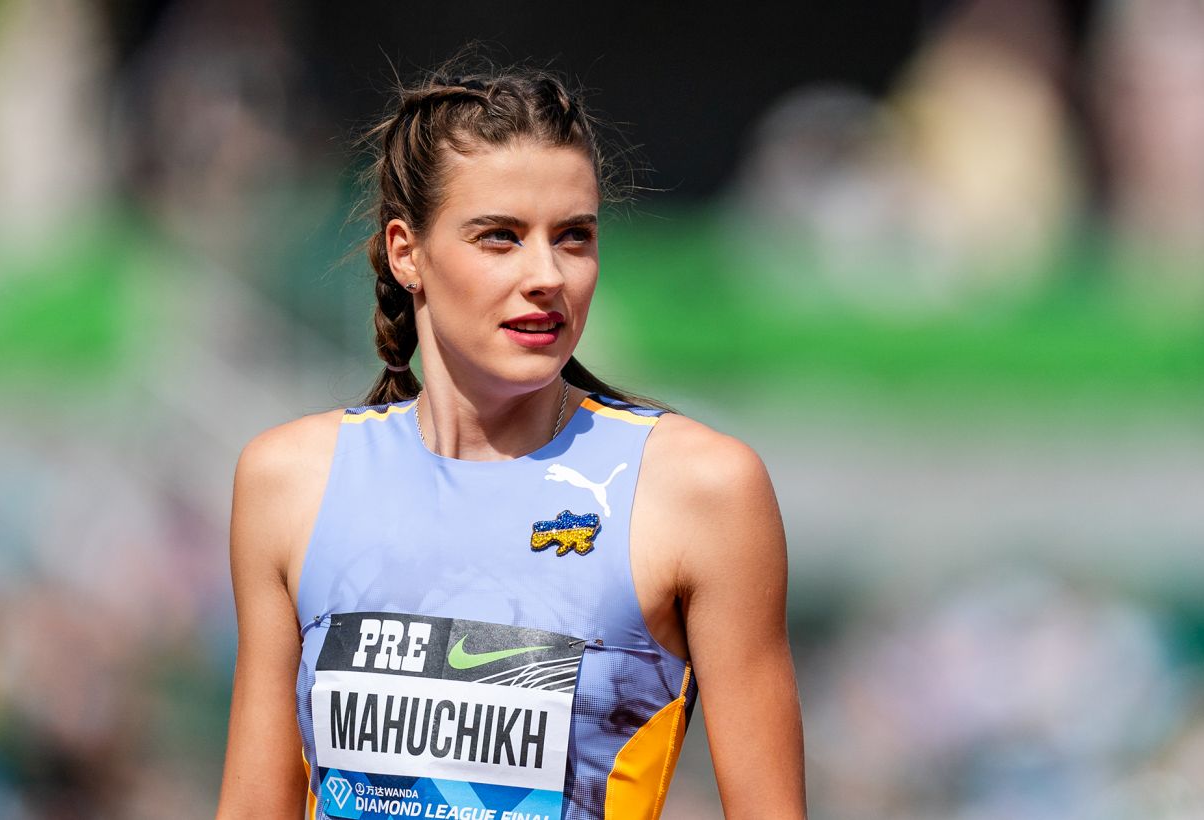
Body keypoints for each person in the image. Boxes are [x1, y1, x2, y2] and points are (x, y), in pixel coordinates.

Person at [217, 59, 806, 820]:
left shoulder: (698, 489)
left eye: (574, 237)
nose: (546, 275)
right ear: (406, 253)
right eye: (500, 237)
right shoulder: (291, 481)